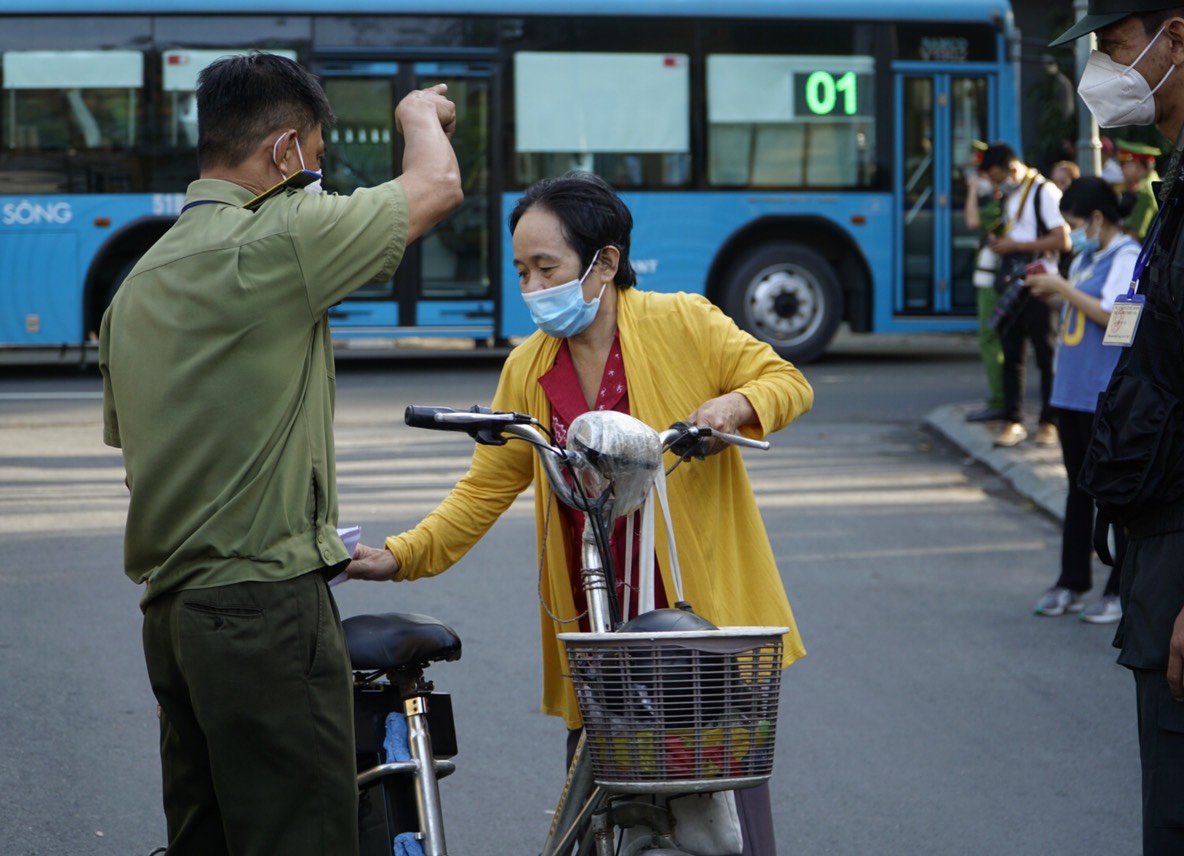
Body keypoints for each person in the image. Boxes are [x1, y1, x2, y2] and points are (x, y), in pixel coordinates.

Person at [347, 172, 813, 855]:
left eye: (548, 268)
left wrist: (732, 408)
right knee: (601, 809)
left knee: (725, 818)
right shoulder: (528, 369)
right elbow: (487, 486)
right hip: (598, 624)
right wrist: (401, 554)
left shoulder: (684, 320)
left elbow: (785, 381)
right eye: (523, 272)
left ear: (606, 263)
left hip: (693, 624)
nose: (534, 288)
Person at [98, 52, 462, 856]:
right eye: (319, 165)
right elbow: (436, 188)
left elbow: (143, 457)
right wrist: (415, 116)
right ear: (285, 152)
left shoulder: (136, 288)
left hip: (174, 617)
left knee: (208, 839)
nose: (319, 183)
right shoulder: (280, 236)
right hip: (262, 609)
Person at [1053, 4, 1184, 853]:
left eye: (1117, 46)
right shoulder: (1173, 190)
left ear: (1178, 37)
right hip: (1155, 543)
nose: (1103, 71)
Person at [1023, 177, 1135, 622]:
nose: (1074, 235)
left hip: (1102, 394)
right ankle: (1072, 581)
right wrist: (1052, 293)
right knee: (1077, 491)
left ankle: (1118, 589)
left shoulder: (1127, 257)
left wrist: (1062, 288)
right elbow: (1078, 314)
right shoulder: (1091, 257)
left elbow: (1116, 322)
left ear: (1096, 218)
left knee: (1114, 497)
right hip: (1071, 392)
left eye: (1075, 224)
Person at [979, 142, 1071, 448]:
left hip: (1041, 282)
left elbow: (1062, 240)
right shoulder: (1012, 195)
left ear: (1013, 168)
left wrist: (1014, 247)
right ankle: (1013, 419)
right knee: (1012, 355)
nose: (996, 184)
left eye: (997, 177)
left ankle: (1048, 422)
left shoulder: (1044, 192)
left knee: (1046, 355)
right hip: (1014, 282)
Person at [964, 142, 1008, 423]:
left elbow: (971, 221)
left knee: (990, 338)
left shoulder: (999, 205)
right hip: (990, 276)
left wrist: (970, 190)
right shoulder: (997, 201)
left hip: (994, 280)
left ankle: (999, 399)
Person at [1117, 139, 1163, 239]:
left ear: (1137, 165)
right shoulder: (1152, 181)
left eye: (1123, 163)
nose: (1121, 168)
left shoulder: (1144, 192)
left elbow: (1134, 236)